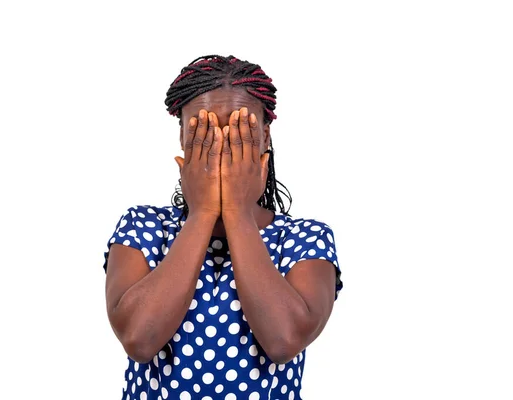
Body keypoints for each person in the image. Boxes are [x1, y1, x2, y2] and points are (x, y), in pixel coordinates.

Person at [102, 54, 344, 400]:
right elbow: (139, 339)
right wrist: (201, 213)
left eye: (238, 131)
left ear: (264, 137)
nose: (220, 145)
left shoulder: (305, 239)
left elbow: (283, 340)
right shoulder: (144, 226)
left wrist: (237, 211)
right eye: (203, 131)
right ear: (184, 139)